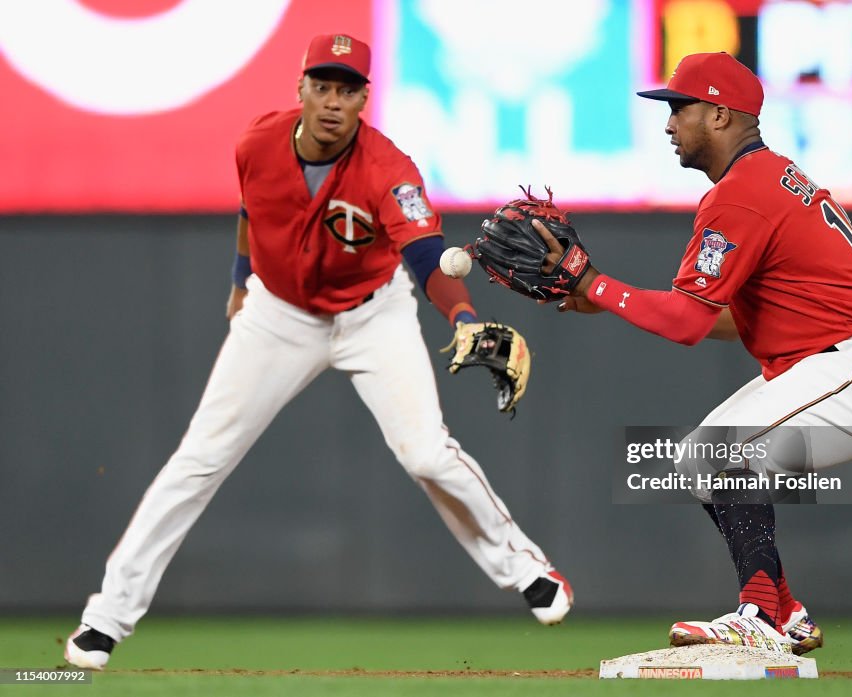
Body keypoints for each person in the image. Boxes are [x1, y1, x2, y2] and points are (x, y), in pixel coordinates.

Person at [64, 33, 572, 671]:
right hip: (277, 316)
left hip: (372, 314)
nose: (333, 102)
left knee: (425, 452)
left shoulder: (389, 169)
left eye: (348, 90)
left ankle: (528, 571)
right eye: (322, 86)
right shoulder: (256, 143)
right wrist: (238, 277)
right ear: (300, 88)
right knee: (199, 459)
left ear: (365, 98)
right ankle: (104, 620)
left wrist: (463, 314)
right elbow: (255, 208)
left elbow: (423, 254)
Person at [532, 52, 852, 654]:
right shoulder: (765, 179)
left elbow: (687, 323)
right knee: (699, 459)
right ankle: (786, 612)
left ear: (719, 113)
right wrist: (605, 297)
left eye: (679, 108)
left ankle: (759, 615)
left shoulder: (741, 195)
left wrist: (595, 284)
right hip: (843, 359)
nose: (669, 125)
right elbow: (733, 321)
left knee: (731, 456)